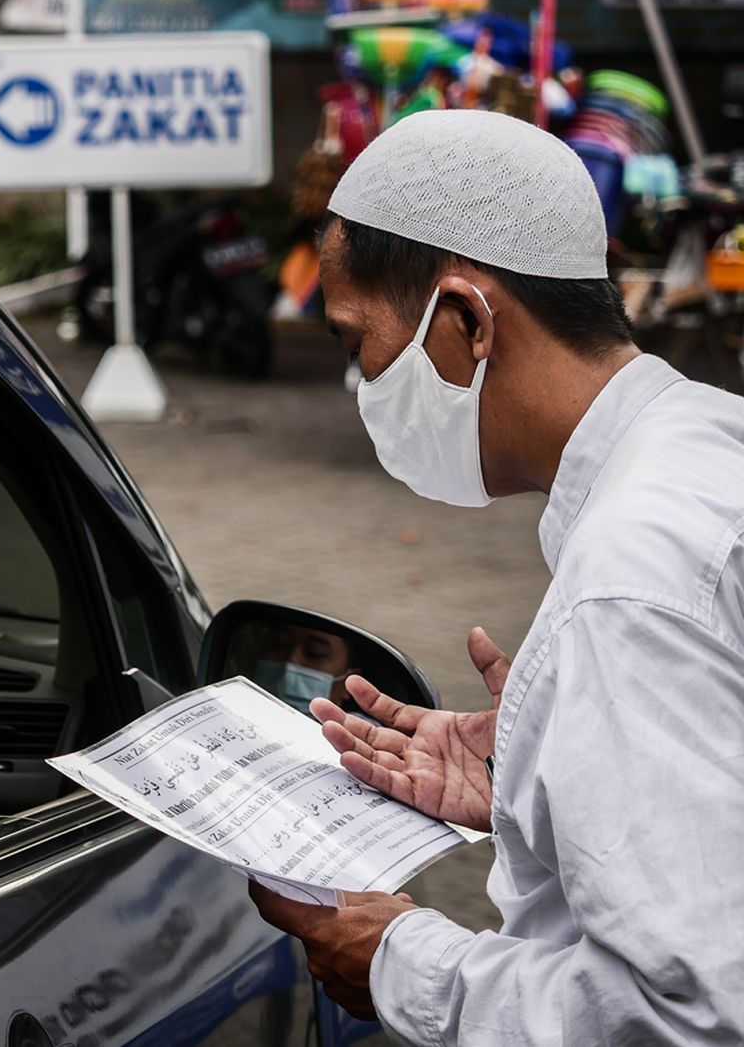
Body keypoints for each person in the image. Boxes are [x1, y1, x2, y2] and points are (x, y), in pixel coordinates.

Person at [248, 109, 744, 1044]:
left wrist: (401, 959)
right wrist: (543, 771)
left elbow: (690, 1020)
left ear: (468, 320)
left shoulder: (627, 585)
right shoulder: (709, 440)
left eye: (360, 342)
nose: (360, 380)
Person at [253, 622, 358, 714]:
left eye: (315, 652)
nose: (291, 660)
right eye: (279, 644)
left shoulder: (360, 734)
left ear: (349, 684)